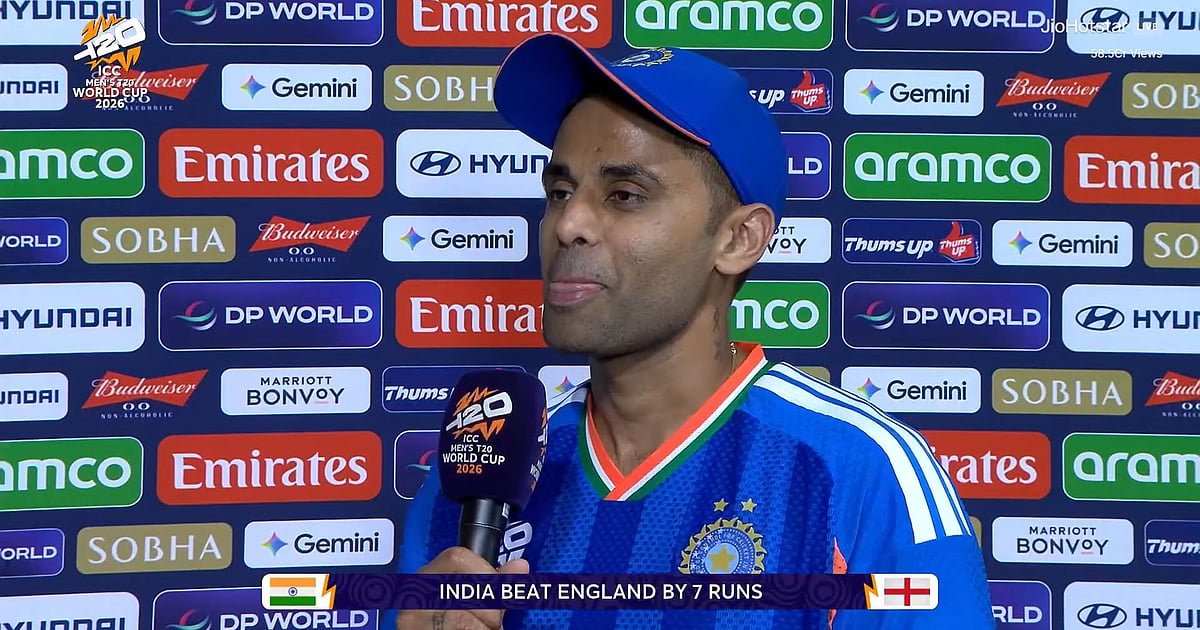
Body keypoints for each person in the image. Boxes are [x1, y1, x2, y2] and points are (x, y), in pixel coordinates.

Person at [389, 33, 994, 630]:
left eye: (624, 195)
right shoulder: (475, 480)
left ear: (739, 239)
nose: (569, 223)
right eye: (560, 191)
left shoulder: (857, 470)